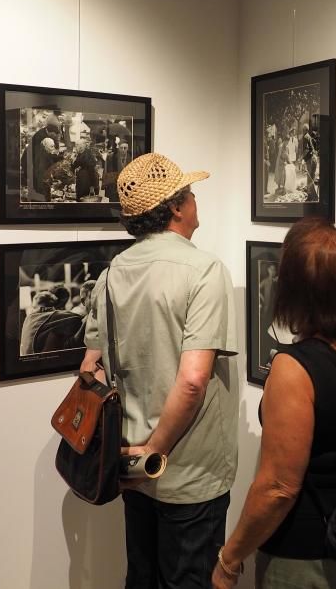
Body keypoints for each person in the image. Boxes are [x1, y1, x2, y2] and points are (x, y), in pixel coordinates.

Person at [214, 217, 336, 589]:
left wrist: (230, 558)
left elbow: (278, 488)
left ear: (297, 290)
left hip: (308, 558)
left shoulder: (295, 368)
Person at [78, 153, 237, 588]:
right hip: (187, 470)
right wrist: (155, 452)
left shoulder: (111, 274)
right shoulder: (204, 270)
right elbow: (192, 380)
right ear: (175, 208)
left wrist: (135, 456)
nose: (195, 200)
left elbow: (90, 368)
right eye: (190, 193)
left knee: (142, 578)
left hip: (128, 464)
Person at [18, 291, 83, 355]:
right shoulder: (52, 314)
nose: (33, 310)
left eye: (33, 307)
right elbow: (76, 318)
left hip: (26, 358)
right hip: (38, 359)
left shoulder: (28, 318)